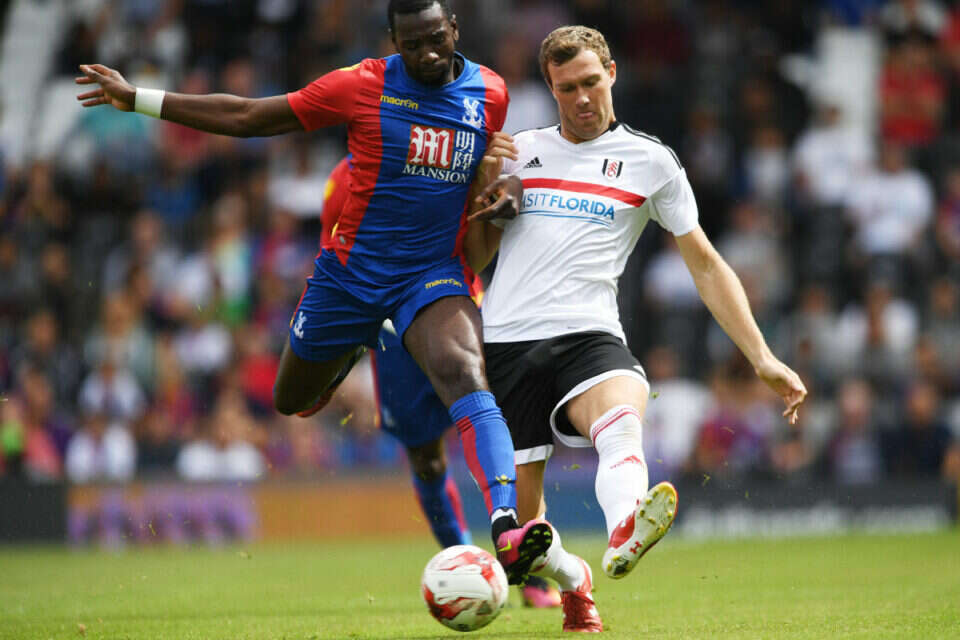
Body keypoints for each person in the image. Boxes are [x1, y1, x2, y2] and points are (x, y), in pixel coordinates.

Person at [76, 0, 552, 583]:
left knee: (467, 374)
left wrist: (506, 192)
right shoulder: (361, 85)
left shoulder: (491, 93)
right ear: (392, 42)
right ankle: (348, 350)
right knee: (290, 399)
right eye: (412, 45)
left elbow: (491, 172)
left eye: (436, 39)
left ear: (454, 28)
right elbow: (250, 114)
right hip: (349, 279)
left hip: (431, 275)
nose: (428, 54)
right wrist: (140, 99)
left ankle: (506, 526)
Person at [465, 26, 808, 632]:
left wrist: (761, 356)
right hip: (507, 345)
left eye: (590, 82)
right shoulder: (518, 152)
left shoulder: (651, 161)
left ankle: (625, 524)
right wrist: (480, 192)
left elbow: (705, 263)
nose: (582, 98)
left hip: (589, 334)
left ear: (612, 73)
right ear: (550, 88)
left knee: (621, 418)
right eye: (566, 88)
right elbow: (472, 256)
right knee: (518, 544)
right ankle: (574, 578)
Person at [321, 156, 562, 607]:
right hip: (394, 338)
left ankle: (528, 570)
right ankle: (468, 568)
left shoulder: (452, 153)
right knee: (427, 461)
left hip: (459, 310)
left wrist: (499, 182)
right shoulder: (342, 182)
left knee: (513, 437)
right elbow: (337, 265)